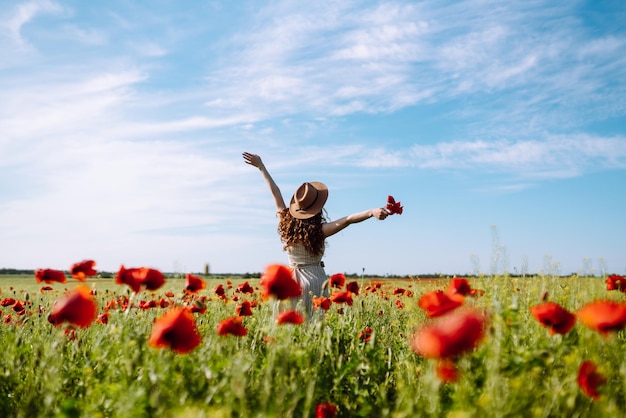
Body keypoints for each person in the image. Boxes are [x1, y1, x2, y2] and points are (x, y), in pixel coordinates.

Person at [243, 152, 389, 315]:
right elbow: (348, 219)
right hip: (314, 281)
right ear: (317, 208)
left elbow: (275, 193)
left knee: (289, 327)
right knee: (313, 329)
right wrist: (372, 211)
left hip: (290, 283)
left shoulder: (285, 223)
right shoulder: (319, 230)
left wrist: (261, 167)